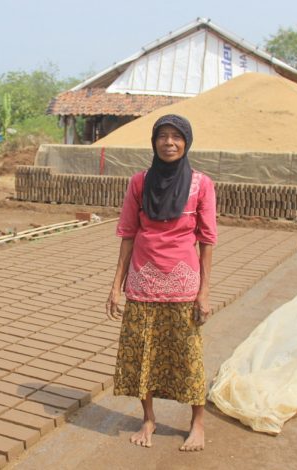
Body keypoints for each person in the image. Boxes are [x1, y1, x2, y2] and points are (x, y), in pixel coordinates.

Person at [106, 114, 217, 452]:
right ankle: (149, 419)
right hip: (142, 281)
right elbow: (127, 233)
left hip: (183, 284)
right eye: (162, 137)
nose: (169, 143)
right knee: (143, 354)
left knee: (187, 356)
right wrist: (116, 286)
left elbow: (207, 239)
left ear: (187, 142)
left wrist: (204, 291)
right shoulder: (139, 182)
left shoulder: (201, 184)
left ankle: (197, 424)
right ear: (153, 142)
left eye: (176, 137)